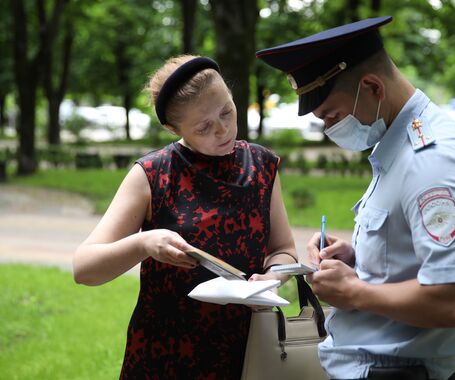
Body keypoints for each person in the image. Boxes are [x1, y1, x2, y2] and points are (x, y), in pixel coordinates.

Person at [256, 16, 455, 380]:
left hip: (395, 371)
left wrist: (354, 292)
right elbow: (413, 262)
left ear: (372, 87)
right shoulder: (401, 147)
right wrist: (359, 260)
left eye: (332, 115)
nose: (328, 129)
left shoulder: (433, 162)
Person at [73, 54, 298, 379]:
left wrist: (274, 276)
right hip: (166, 355)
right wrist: (144, 243)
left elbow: (283, 249)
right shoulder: (152, 174)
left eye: (227, 111)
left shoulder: (263, 165)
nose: (222, 130)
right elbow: (84, 268)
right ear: (172, 128)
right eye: (204, 126)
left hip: (247, 351)